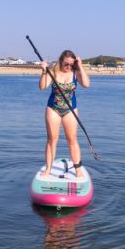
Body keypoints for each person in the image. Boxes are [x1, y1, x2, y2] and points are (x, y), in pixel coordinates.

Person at [38, 49, 91, 179]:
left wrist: (80, 66)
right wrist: (44, 71)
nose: (68, 67)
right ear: (61, 61)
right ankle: (48, 169)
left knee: (72, 140)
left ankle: (78, 170)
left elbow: (86, 84)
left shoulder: (75, 72)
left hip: (70, 109)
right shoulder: (53, 71)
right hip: (53, 108)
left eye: (71, 64)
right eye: (66, 64)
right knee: (52, 140)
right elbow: (42, 87)